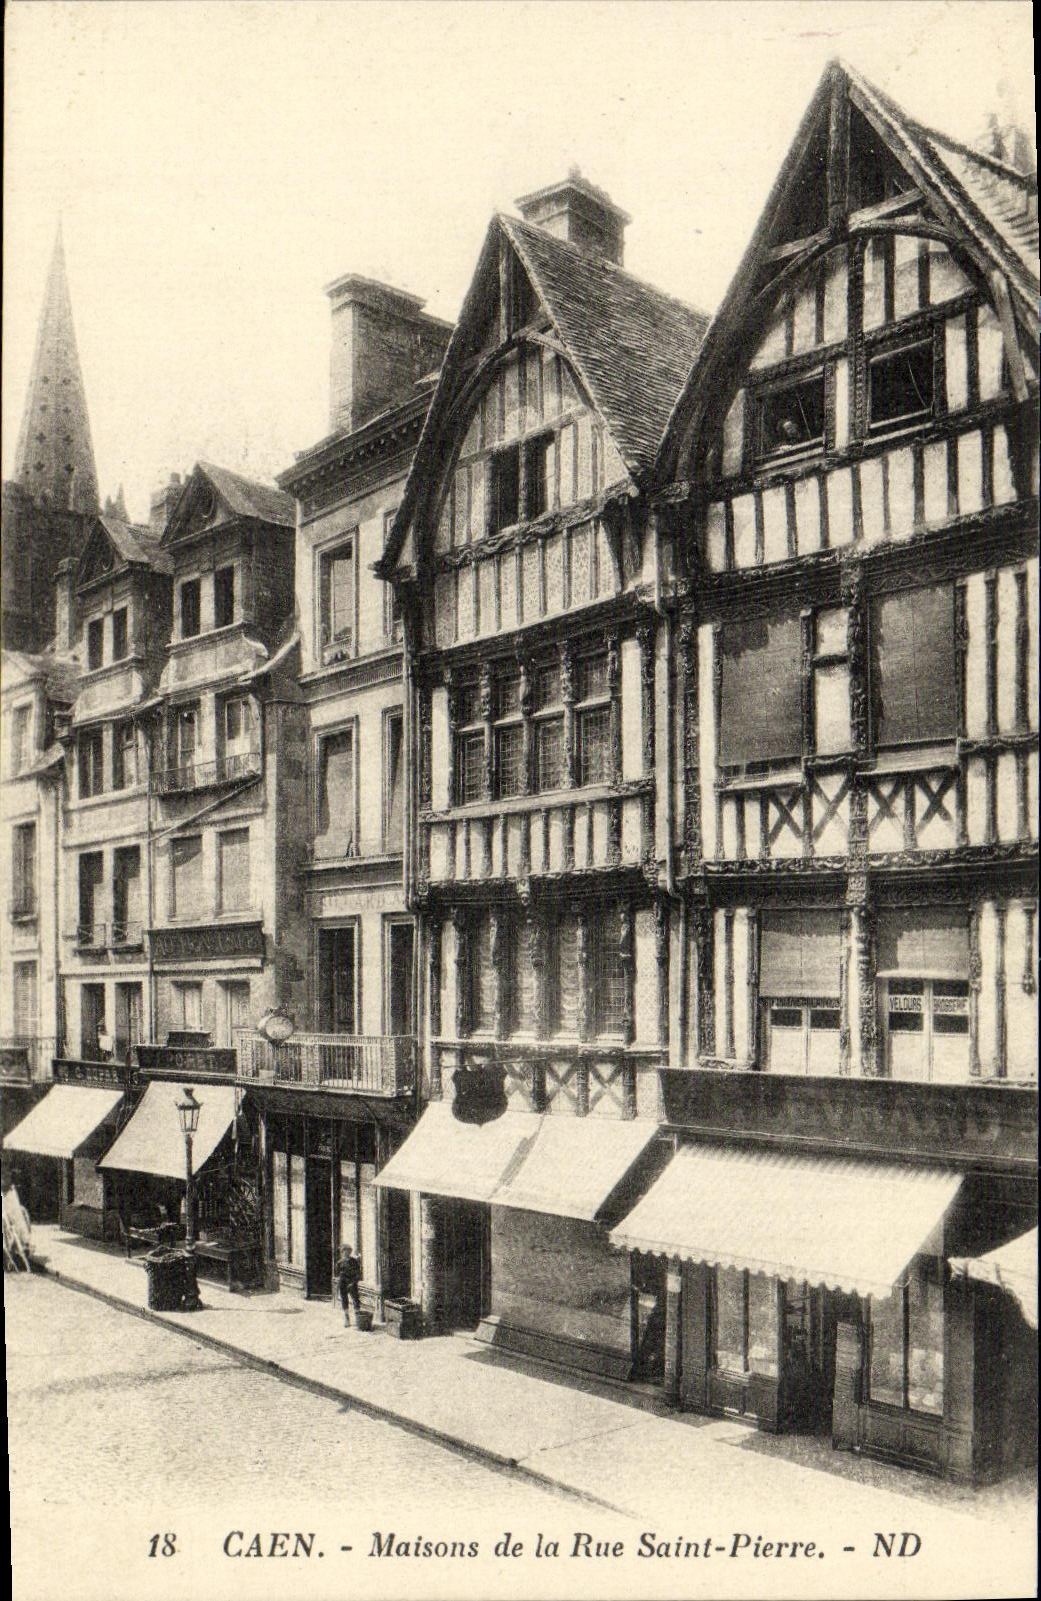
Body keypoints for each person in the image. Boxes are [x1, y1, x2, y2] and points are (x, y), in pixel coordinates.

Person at [337, 1244, 362, 1327]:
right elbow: (338, 1273)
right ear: (342, 1252)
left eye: (348, 1251)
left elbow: (358, 1273)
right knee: (344, 1300)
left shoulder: (354, 1261)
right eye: (344, 1251)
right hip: (343, 1283)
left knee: (356, 1299)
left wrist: (353, 1282)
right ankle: (347, 1319)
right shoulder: (339, 1263)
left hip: (352, 1283)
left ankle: (358, 1319)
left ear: (350, 1252)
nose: (346, 1253)